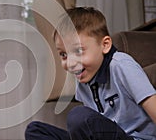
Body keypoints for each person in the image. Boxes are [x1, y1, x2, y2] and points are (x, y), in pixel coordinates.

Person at [25, 7, 156, 140]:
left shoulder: (121, 65)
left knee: (78, 117)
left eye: (78, 51)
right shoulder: (84, 78)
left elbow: (152, 104)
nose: (70, 63)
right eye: (63, 54)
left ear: (105, 45)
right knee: (35, 130)